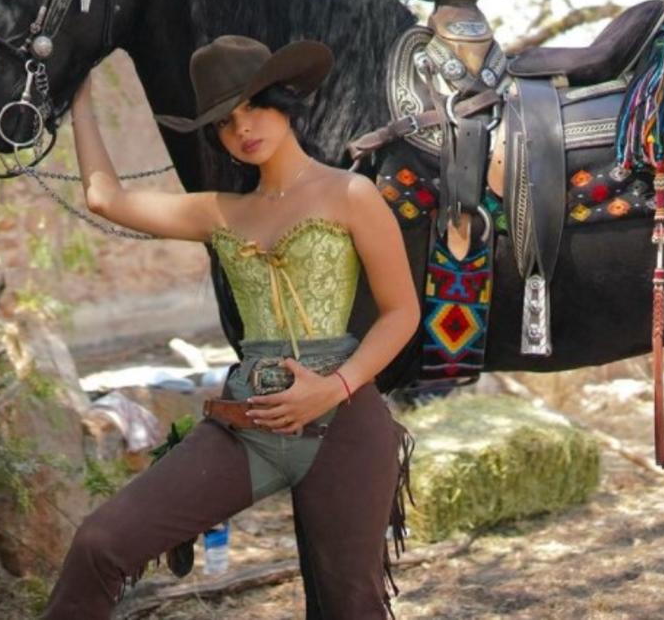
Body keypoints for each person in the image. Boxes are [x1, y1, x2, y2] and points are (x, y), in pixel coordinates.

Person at [42, 35, 420, 619]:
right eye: (225, 121)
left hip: (343, 424)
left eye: (254, 107)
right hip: (247, 423)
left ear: (284, 102)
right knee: (101, 541)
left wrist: (333, 387)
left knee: (350, 607)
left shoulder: (351, 193)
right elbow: (105, 198)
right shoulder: (220, 210)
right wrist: (81, 100)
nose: (242, 128)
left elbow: (402, 312)